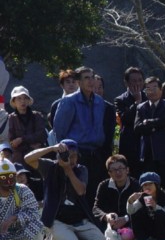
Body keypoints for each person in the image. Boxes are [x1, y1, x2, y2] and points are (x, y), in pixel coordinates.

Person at [25, 140, 106, 240]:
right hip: (57, 220)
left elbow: (80, 191)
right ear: (58, 156)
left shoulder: (81, 169)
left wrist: (67, 169)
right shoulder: (49, 167)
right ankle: (50, 239)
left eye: (74, 156)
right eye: (68, 156)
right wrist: (51, 148)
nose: (71, 160)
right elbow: (28, 158)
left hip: (79, 220)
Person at [52, 66, 108, 204]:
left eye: (92, 77)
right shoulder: (69, 101)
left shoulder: (100, 102)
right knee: (77, 192)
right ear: (79, 82)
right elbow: (59, 130)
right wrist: (68, 154)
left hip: (96, 153)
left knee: (95, 192)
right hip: (77, 153)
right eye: (86, 78)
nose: (90, 81)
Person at [133, 76, 165, 194]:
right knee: (148, 189)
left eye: (154, 88)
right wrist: (157, 126)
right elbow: (137, 128)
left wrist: (147, 123)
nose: (151, 91)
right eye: (148, 89)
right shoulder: (141, 107)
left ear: (161, 90)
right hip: (147, 154)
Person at [0, 159, 45, 240]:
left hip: (22, 236)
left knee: (37, 224)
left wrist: (13, 218)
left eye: (11, 176)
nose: (8, 180)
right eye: (4, 177)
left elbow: (33, 212)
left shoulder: (23, 190)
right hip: (2, 239)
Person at [93, 154, 139, 240]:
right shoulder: (103, 186)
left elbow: (141, 208)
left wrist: (126, 218)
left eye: (120, 168)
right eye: (113, 170)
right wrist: (106, 216)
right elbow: (95, 208)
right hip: (109, 224)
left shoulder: (135, 185)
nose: (118, 172)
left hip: (130, 223)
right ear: (109, 173)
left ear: (127, 170)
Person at [114, 67, 147, 172]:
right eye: (134, 81)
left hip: (146, 143)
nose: (137, 83)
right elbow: (123, 119)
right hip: (130, 143)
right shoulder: (120, 100)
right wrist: (137, 103)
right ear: (126, 83)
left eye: (140, 80)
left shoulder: (148, 97)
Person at [126, 172, 165, 240]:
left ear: (156, 185)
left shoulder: (164, 197)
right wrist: (130, 201)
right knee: (137, 212)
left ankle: (164, 238)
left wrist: (155, 206)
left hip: (162, 228)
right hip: (148, 227)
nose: (147, 187)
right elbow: (131, 211)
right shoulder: (142, 197)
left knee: (160, 213)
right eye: (144, 185)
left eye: (150, 184)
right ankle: (141, 237)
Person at [8, 86, 46, 164]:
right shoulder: (11, 118)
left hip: (37, 155)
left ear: (28, 100)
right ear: (14, 101)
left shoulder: (37, 116)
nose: (23, 101)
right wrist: (29, 145)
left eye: (25, 98)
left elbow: (42, 135)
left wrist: (22, 139)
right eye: (19, 98)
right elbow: (13, 142)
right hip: (19, 159)